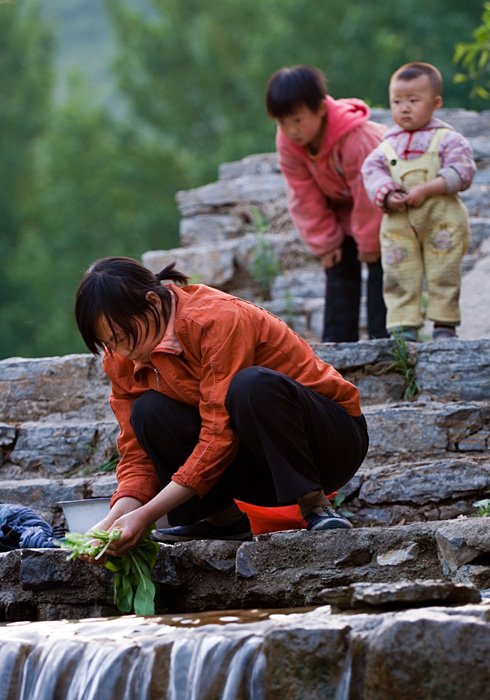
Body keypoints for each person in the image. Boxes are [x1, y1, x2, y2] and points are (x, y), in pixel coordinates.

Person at [74, 256, 369, 556]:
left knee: (250, 386)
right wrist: (114, 519)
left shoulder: (216, 320)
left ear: (152, 301)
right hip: (255, 464)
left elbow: (219, 433)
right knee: (148, 412)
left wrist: (147, 515)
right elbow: (136, 454)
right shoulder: (123, 358)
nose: (121, 351)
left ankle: (315, 506)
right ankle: (222, 520)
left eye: (123, 336)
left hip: (329, 446)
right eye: (109, 342)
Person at [265, 65, 388, 343]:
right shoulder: (288, 141)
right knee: (338, 264)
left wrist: (369, 243)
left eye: (297, 120)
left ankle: (386, 338)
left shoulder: (358, 139)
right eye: (282, 122)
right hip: (342, 209)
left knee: (381, 267)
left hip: (384, 205)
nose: (291, 130)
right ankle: (337, 344)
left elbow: (369, 192)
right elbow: (302, 192)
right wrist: (326, 241)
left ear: (321, 109)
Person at [362, 62, 476, 342]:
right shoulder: (385, 146)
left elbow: (463, 171)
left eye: (414, 101)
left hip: (442, 222)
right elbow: (371, 172)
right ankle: (403, 327)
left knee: (444, 270)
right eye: (397, 101)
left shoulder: (448, 139)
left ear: (436, 103)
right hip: (399, 224)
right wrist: (388, 193)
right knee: (399, 272)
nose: (404, 108)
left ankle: (444, 324)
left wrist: (430, 188)